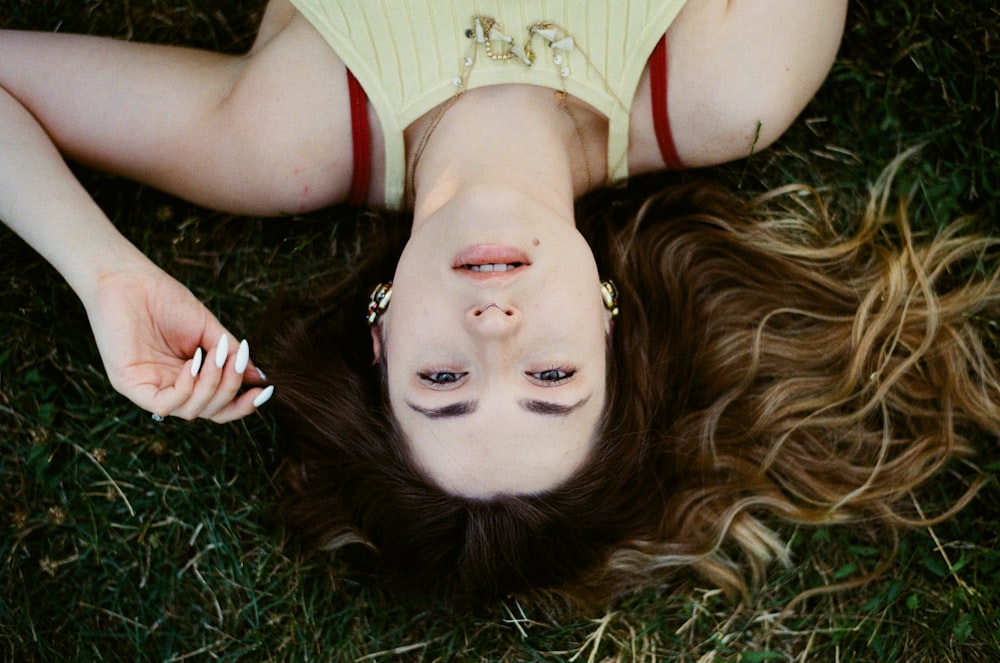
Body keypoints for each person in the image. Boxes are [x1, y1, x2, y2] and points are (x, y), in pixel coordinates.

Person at [11, 0, 995, 606]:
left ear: (381, 330)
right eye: (551, 377)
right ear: (611, 322)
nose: (495, 332)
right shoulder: (730, 87)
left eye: (442, 379)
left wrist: (107, 273)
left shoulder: (280, 138)